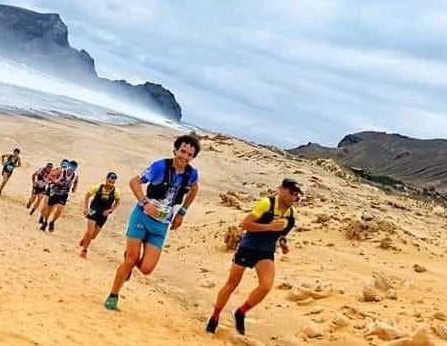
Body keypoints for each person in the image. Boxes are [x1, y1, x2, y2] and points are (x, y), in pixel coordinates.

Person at [104, 135, 201, 311]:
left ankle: (130, 262)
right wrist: (144, 202)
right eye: (182, 151)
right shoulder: (159, 167)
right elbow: (134, 182)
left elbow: (195, 189)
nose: (185, 157)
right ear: (175, 151)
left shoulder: (191, 174)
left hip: (161, 224)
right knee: (131, 260)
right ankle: (113, 295)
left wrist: (182, 211)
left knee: (147, 269)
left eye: (189, 154)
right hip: (141, 216)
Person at [205, 178, 302, 335]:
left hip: (266, 251)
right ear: (281, 190)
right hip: (247, 247)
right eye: (291, 193)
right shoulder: (266, 204)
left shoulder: (291, 214)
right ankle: (214, 317)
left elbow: (282, 233)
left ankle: (241, 312)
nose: (293, 197)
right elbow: (245, 224)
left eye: (296, 195)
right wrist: (269, 227)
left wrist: (283, 242)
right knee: (231, 284)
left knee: (266, 286)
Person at [78, 172, 122, 258]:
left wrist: (110, 210)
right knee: (90, 232)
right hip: (94, 211)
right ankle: (84, 250)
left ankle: (85, 238)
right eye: (109, 181)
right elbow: (87, 195)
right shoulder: (97, 187)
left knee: (93, 236)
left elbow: (118, 202)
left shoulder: (116, 192)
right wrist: (86, 208)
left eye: (112, 182)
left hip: (103, 214)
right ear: (106, 179)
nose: (110, 184)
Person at [39, 159, 78, 232]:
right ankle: (45, 222)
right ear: (68, 167)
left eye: (73, 169)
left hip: (64, 194)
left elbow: (76, 181)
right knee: (49, 209)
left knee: (60, 210)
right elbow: (50, 176)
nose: (70, 170)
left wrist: (74, 188)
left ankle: (52, 221)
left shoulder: (75, 175)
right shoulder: (61, 171)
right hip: (54, 192)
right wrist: (54, 180)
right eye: (70, 168)